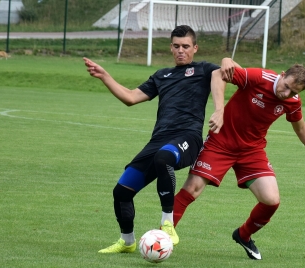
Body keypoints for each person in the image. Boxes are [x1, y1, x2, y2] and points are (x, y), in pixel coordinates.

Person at [172, 60, 305, 260]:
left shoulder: (292, 102)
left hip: (251, 151)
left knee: (271, 201)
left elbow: (302, 128)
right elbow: (219, 74)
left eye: (294, 92)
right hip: (221, 142)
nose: (286, 94)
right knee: (192, 189)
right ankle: (162, 234)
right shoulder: (259, 78)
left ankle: (243, 235)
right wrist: (219, 110)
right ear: (281, 74)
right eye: (286, 86)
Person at [83, 25, 232, 253]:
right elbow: (131, 97)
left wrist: (220, 103)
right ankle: (127, 241)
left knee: (164, 158)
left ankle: (167, 222)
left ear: (195, 48)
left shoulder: (203, 69)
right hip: (159, 139)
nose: (180, 50)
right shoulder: (162, 75)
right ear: (171, 47)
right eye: (176, 46)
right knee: (121, 192)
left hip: (187, 138)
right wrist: (105, 76)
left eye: (185, 46)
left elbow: (221, 74)